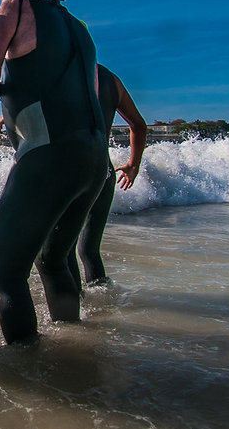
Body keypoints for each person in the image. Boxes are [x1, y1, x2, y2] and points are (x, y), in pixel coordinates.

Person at [0, 0, 108, 345]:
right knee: (53, 261)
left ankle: (28, 373)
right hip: (94, 158)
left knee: (8, 273)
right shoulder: (79, 29)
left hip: (48, 156)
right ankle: (73, 346)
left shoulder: (14, 7)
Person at [67, 64, 147, 289]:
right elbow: (139, 126)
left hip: (69, 173)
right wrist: (133, 164)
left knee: (61, 252)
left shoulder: (61, 70)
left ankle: (72, 314)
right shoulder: (111, 80)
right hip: (103, 171)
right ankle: (103, 305)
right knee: (89, 250)